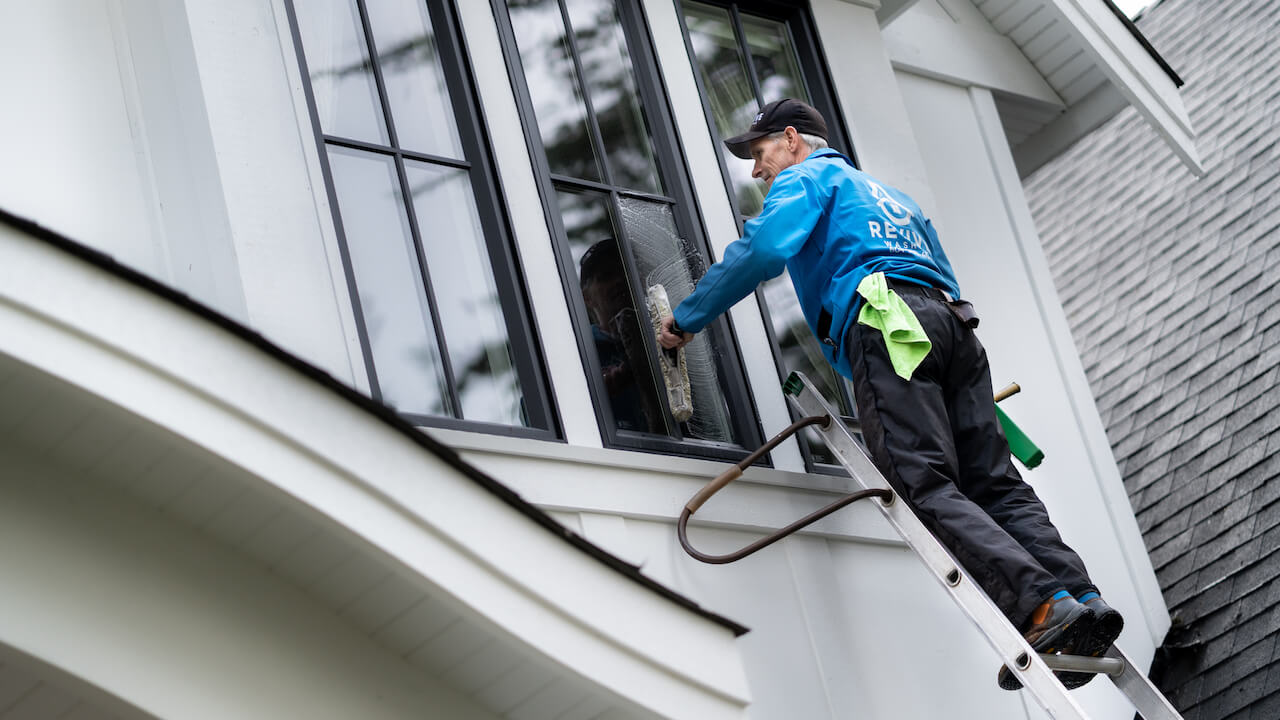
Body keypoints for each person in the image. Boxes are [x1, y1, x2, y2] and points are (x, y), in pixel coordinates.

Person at [658, 98, 1122, 690]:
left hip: (887, 323)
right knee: (994, 481)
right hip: (953, 327)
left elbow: (766, 250)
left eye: (759, 152)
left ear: (793, 139)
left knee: (918, 478)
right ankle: (1081, 596)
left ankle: (1041, 609)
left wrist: (686, 318)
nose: (756, 169)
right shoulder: (889, 196)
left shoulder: (806, 176)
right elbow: (943, 274)